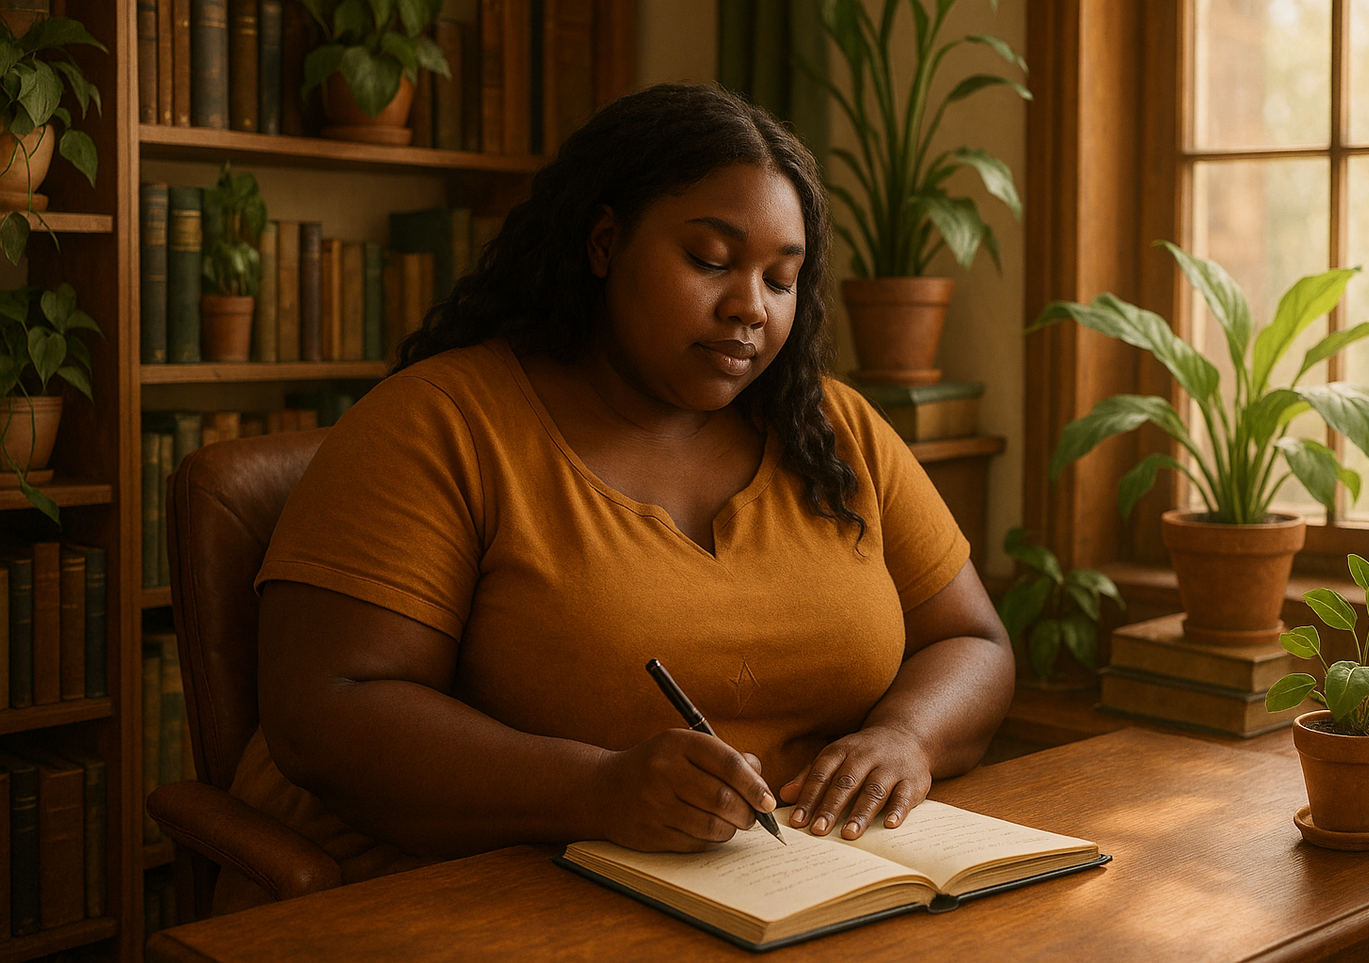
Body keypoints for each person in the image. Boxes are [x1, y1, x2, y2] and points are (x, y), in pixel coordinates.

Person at [215, 83, 1013, 914]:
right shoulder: (439, 424)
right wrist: (596, 787)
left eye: (781, 278)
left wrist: (903, 736)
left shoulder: (831, 426)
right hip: (493, 893)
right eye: (710, 260)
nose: (749, 306)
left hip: (792, 890)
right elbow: (327, 713)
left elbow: (972, 639)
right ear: (604, 242)